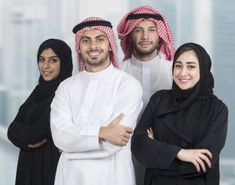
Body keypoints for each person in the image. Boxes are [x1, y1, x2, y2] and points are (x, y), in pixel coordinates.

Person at [50, 17, 143, 185]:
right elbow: (59, 137)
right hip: (70, 178)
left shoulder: (128, 85)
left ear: (110, 45)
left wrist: (71, 149)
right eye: (86, 40)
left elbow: (114, 144)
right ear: (79, 47)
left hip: (113, 177)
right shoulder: (65, 87)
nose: (93, 46)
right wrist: (102, 133)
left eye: (100, 39)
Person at [131, 43, 228, 185]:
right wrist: (180, 153)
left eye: (191, 66)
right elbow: (138, 145)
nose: (182, 73)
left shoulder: (217, 109)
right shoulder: (159, 100)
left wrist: (156, 154)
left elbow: (202, 164)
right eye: (178, 66)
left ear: (203, 69)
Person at [7, 39, 73, 185]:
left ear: (64, 62)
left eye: (53, 60)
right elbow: (11, 131)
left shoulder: (66, 92)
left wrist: (21, 135)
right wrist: (24, 137)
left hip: (50, 166)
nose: (45, 66)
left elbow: (37, 132)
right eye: (41, 60)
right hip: (28, 166)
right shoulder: (38, 91)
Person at [117, 5, 175, 109]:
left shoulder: (173, 72)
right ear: (129, 37)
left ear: (160, 37)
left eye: (151, 30)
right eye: (138, 30)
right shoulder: (117, 73)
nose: (145, 36)